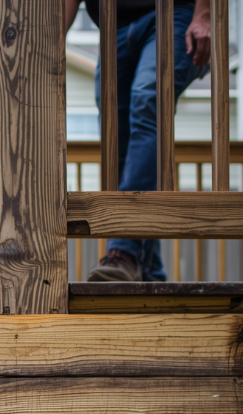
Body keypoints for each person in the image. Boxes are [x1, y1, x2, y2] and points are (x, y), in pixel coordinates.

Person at [65, 0, 212, 281]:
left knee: (148, 100)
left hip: (173, 12)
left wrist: (205, 13)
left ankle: (124, 251)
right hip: (112, 26)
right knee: (115, 139)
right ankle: (147, 271)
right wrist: (50, 41)